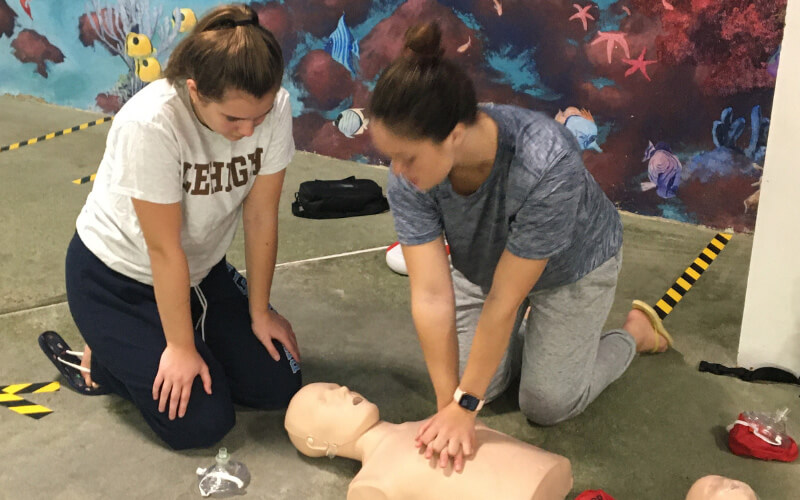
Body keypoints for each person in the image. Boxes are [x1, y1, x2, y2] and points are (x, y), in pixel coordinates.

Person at [367, 22, 672, 472]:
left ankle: (634, 334)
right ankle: (534, 337)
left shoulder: (546, 162)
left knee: (547, 405)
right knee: (477, 393)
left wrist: (463, 404)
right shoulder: (412, 174)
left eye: (407, 157)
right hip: (484, 266)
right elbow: (431, 294)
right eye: (389, 157)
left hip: (573, 266)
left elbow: (504, 302)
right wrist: (449, 404)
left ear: (453, 135)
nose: (397, 171)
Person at [57, 4, 301, 450]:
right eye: (233, 119)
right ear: (195, 91)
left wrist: (260, 311)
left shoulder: (274, 105)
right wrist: (181, 349)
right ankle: (109, 354)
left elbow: (261, 214)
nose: (249, 131)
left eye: (259, 117)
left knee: (278, 383)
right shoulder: (150, 123)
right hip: (117, 278)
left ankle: (157, 345)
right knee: (200, 423)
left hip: (199, 274)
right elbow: (164, 250)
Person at [284, 383, 574, 500]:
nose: (344, 389)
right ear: (317, 443)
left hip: (547, 472)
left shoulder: (431, 422)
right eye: (325, 399)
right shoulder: (369, 485)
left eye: (336, 385)